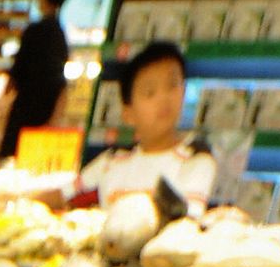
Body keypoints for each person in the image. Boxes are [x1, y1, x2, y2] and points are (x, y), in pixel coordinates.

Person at [76, 42, 215, 210]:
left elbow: (186, 222)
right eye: (150, 92)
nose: (164, 98)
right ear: (128, 113)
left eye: (172, 85)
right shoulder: (111, 161)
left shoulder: (196, 161)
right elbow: (64, 193)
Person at [1, 0, 78, 161]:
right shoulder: (60, 36)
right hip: (43, 127)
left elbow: (12, 83)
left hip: (22, 123)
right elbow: (61, 86)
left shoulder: (34, 32)